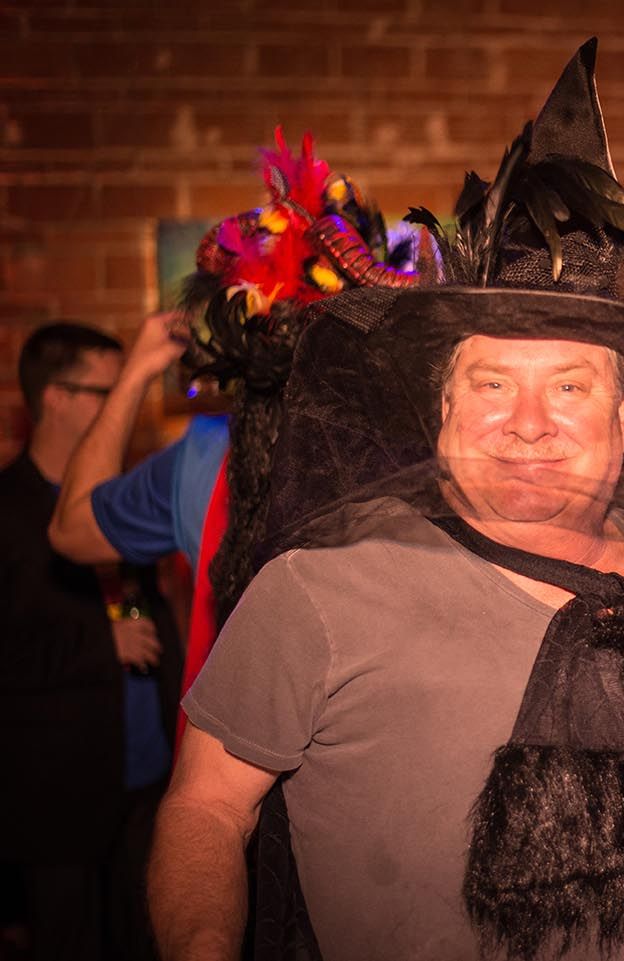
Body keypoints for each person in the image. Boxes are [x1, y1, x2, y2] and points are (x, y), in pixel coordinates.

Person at [147, 39, 624, 961]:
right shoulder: (320, 589)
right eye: (491, 383)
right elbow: (208, 806)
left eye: (569, 386)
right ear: (444, 408)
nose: (527, 422)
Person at [48, 130, 419, 729]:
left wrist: (137, 371)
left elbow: (71, 531)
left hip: (227, 763)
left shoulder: (200, 458)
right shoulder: (430, 457)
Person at [1, 322, 183, 961]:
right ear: (54, 398)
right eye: (108, 392)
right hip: (59, 796)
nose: (122, 408)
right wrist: (104, 647)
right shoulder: (7, 509)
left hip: (147, 775)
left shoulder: (121, 495)